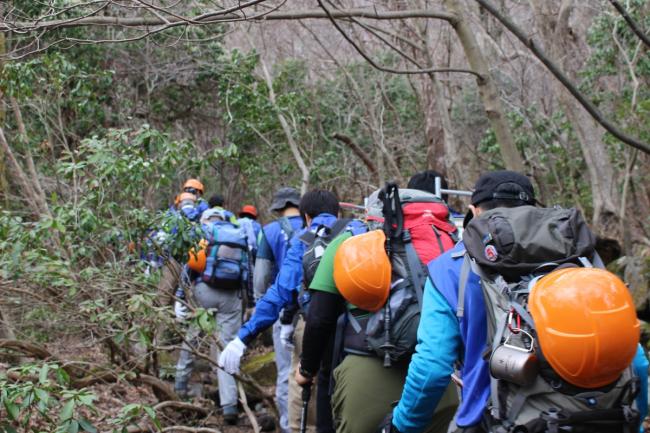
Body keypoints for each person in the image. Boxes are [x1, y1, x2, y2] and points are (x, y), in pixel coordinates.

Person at [380, 170, 649, 433]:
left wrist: (402, 424)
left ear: (474, 211)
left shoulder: (448, 270)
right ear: (532, 209)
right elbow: (635, 360)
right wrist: (634, 419)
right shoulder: (579, 259)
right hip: (605, 416)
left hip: (497, 419)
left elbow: (433, 366)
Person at [294, 172, 458, 433]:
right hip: (437, 384)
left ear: (370, 214)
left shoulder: (346, 243)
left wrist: (306, 369)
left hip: (364, 378)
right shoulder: (444, 246)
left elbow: (319, 318)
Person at [219, 189, 363, 433]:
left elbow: (279, 291)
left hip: (315, 327)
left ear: (306, 216)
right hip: (362, 331)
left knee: (307, 378)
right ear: (338, 212)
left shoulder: (303, 240)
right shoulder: (360, 230)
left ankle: (297, 428)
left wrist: (243, 337)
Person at [174, 208, 250, 425]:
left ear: (206, 219)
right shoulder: (239, 234)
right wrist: (250, 301)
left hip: (204, 291)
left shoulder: (203, 232)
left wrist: (180, 296)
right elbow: (249, 272)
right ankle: (229, 405)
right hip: (232, 297)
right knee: (227, 347)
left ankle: (180, 385)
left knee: (194, 335)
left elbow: (190, 266)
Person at [249, 187, 303, 433]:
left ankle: (288, 427)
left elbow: (260, 278)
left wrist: (263, 308)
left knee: (285, 373)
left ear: (279, 208)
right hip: (318, 311)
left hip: (283, 312)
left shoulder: (270, 231)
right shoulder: (316, 226)